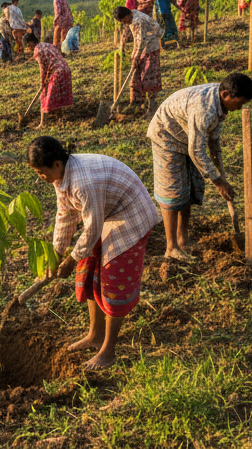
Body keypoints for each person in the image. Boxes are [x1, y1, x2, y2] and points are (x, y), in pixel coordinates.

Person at [28, 138, 160, 370]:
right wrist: (56, 254)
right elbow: (65, 216)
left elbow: (91, 228)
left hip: (130, 215)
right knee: (89, 270)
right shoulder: (61, 177)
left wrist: (71, 259)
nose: (41, 178)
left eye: (41, 173)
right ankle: (95, 336)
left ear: (57, 165)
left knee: (114, 279)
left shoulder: (83, 183)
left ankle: (108, 351)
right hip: (107, 213)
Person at [146, 72, 252, 261]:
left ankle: (182, 240)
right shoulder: (204, 109)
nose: (240, 107)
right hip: (166, 136)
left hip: (187, 137)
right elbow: (196, 150)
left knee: (188, 188)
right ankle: (171, 247)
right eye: (240, 102)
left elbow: (212, 140)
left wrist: (220, 172)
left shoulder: (219, 101)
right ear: (226, 94)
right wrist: (218, 182)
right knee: (172, 192)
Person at [114, 7, 162, 113]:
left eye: (123, 20)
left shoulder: (138, 21)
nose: (124, 23)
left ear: (127, 15)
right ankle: (136, 103)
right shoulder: (132, 16)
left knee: (148, 77)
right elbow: (137, 39)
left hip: (151, 48)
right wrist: (134, 55)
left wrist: (137, 55)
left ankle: (151, 106)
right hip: (143, 47)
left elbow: (141, 40)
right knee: (135, 77)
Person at [25, 32, 72, 128]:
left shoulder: (37, 51)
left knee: (44, 96)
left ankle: (42, 124)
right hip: (66, 69)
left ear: (30, 44)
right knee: (59, 96)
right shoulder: (46, 44)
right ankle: (60, 119)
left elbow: (42, 69)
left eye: (27, 46)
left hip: (57, 72)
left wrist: (42, 84)